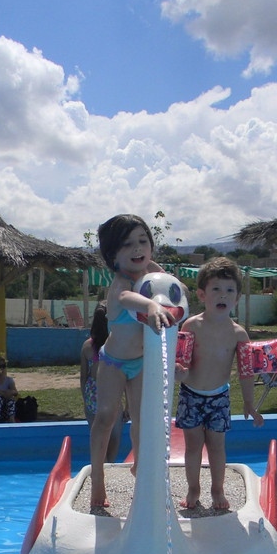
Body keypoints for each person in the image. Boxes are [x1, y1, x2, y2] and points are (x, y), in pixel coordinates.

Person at [89, 214, 176, 511]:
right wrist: (151, 304)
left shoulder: (153, 272)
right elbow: (128, 299)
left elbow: (173, 291)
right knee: (105, 417)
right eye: (127, 245)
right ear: (113, 255)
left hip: (140, 362)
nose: (138, 249)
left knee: (141, 419)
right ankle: (97, 475)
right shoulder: (120, 284)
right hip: (113, 362)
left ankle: (140, 467)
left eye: (143, 241)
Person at [176, 257, 264, 510]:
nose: (222, 295)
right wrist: (178, 374)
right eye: (216, 289)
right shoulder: (191, 325)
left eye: (229, 290)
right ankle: (193, 488)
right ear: (202, 294)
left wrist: (249, 403)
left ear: (236, 298)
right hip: (191, 395)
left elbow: (246, 372)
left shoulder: (238, 333)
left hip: (219, 399)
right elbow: (181, 364)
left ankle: (217, 489)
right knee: (193, 446)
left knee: (217, 447)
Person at [80, 303, 122, 462]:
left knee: (97, 436)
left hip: (92, 396)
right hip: (110, 394)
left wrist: (85, 399)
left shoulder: (87, 346)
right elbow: (121, 374)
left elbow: (83, 377)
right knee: (115, 436)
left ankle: (101, 465)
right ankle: (109, 464)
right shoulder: (114, 345)